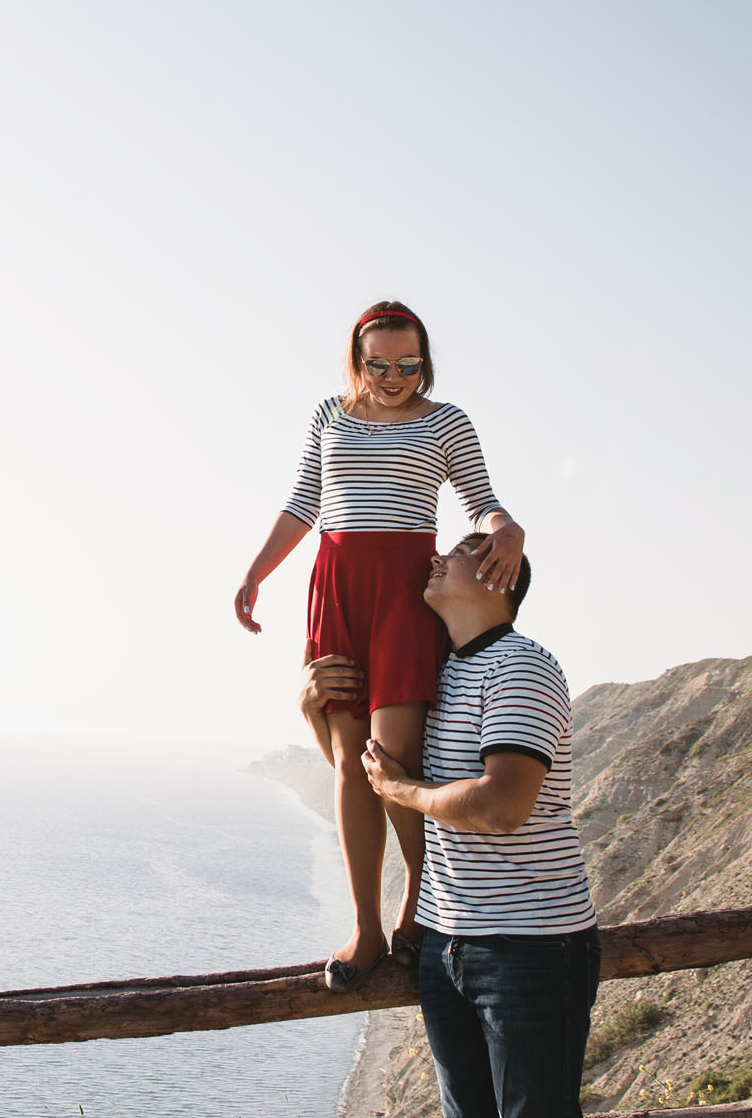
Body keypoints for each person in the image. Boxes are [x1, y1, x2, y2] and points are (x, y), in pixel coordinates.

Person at [234, 299, 523, 991]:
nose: (393, 376)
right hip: (336, 584)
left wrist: (508, 525)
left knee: (392, 759)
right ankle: (365, 927)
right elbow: (304, 500)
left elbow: (481, 498)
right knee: (346, 762)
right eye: (378, 364)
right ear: (356, 360)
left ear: (425, 361)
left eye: (408, 364)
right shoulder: (329, 414)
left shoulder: (447, 421)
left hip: (402, 591)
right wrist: (254, 573)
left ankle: (419, 907)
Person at [360, 534, 598, 1118]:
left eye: (462, 551)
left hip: (531, 947)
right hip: (447, 943)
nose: (437, 557)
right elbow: (361, 754)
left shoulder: (522, 666)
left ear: (500, 574)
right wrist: (309, 702)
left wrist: (402, 791)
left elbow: (502, 805)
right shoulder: (440, 674)